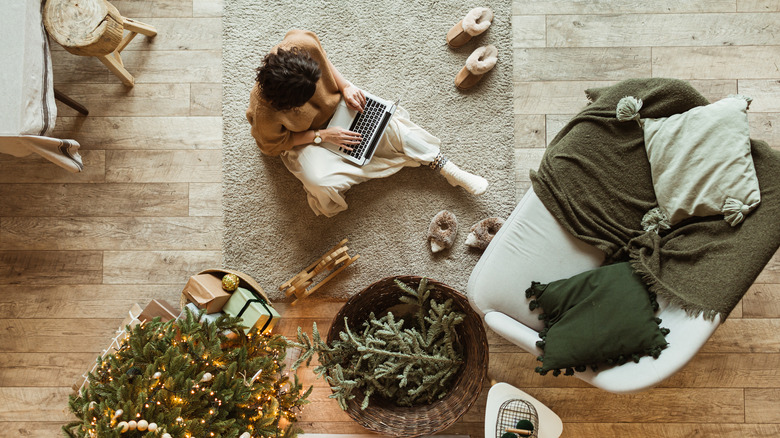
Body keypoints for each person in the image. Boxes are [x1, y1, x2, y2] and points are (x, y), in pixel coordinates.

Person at [246, 29, 489, 217]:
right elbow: (272, 147)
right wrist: (323, 136)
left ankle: (444, 165)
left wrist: (346, 86)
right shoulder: (265, 112)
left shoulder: (302, 44)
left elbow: (325, 62)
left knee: (387, 123)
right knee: (321, 182)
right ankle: (382, 156)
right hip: (307, 138)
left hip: (341, 105)